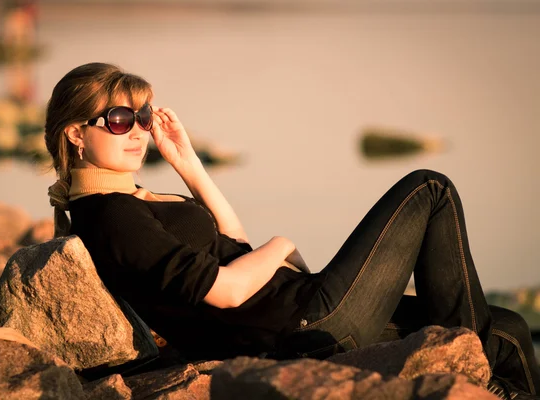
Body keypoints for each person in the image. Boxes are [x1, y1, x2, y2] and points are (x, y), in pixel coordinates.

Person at [45, 62, 539, 399]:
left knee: (511, 328)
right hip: (299, 326)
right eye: (119, 119)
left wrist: (188, 164)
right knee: (429, 187)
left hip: (299, 305)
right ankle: (471, 364)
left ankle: (481, 362)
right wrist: (283, 243)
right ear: (75, 134)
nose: (137, 132)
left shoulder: (133, 199)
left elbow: (232, 242)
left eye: (143, 117)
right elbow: (227, 292)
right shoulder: (111, 214)